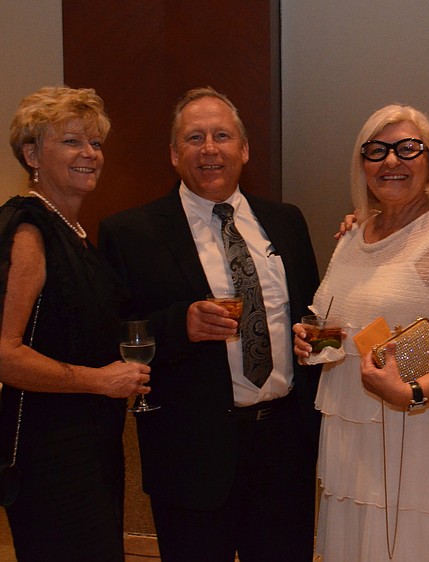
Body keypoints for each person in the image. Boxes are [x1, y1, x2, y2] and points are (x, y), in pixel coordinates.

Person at [98, 86, 322, 562]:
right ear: (173, 153)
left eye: (222, 135)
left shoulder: (286, 221)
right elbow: (109, 335)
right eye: (194, 137)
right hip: (190, 452)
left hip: (284, 445)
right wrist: (179, 324)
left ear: (244, 149)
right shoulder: (130, 232)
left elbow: (311, 312)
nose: (209, 149)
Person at [294, 104, 429, 561]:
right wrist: (313, 342)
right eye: (377, 150)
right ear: (362, 164)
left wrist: (410, 392)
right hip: (348, 441)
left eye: (408, 148)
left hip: (413, 440)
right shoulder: (352, 236)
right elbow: (341, 327)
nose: (391, 160)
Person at [0, 86, 150, 561]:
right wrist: (99, 381)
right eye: (71, 141)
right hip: (48, 450)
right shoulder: (27, 230)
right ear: (31, 155)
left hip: (90, 441)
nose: (89, 154)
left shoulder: (72, 232)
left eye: (95, 143)